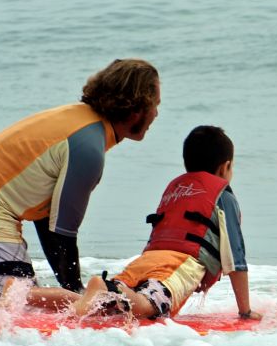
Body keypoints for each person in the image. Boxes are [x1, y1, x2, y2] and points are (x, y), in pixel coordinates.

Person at [0, 59, 160, 300]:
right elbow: (63, 232)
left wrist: (72, 290)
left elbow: (49, 223)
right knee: (14, 311)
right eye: (155, 105)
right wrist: (79, 295)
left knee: (3, 306)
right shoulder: (89, 148)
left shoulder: (81, 121)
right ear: (137, 108)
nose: (156, 114)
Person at [16, 125, 262, 321]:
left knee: (106, 304)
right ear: (226, 167)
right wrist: (245, 311)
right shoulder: (223, 197)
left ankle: (27, 295)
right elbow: (236, 260)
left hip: (145, 261)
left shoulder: (176, 189)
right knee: (150, 306)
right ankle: (104, 286)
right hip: (177, 265)